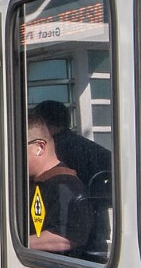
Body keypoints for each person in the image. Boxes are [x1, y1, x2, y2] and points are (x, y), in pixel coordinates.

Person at [26, 113, 92, 259]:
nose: (11, 156)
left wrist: (7, 242)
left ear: (39, 147)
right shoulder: (31, 183)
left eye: (17, 148)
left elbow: (66, 237)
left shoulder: (65, 185)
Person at [31, 100, 112, 190]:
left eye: (35, 126)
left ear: (45, 125)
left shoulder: (50, 150)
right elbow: (116, 166)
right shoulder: (85, 145)